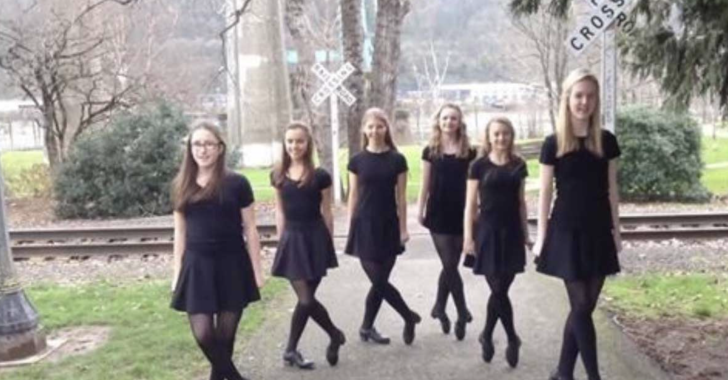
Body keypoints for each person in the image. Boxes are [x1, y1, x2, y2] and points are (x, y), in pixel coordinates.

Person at [533, 68, 622, 380]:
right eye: (578, 95)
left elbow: (612, 190)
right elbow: (544, 194)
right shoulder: (553, 143)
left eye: (590, 96)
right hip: (566, 232)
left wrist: (617, 232)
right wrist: (541, 237)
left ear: (596, 100)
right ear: (568, 99)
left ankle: (563, 373)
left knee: (583, 308)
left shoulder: (607, 141)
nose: (584, 102)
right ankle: (594, 376)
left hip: (598, 232)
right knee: (581, 304)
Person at [170, 121, 264, 380]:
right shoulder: (181, 184)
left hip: (232, 264)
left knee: (225, 337)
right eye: (197, 144)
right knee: (203, 334)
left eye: (209, 144)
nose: (203, 150)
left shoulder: (238, 183)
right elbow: (180, 232)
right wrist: (177, 273)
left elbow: (251, 229)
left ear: (220, 148)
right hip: (197, 266)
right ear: (190, 149)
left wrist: (258, 271)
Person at [270, 122, 345, 369]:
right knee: (305, 299)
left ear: (308, 143)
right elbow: (279, 211)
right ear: (284, 143)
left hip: (315, 239)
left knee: (306, 299)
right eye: (290, 141)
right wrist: (282, 241)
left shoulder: (320, 175)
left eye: (299, 141)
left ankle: (290, 350)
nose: (294, 146)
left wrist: (329, 243)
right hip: (292, 240)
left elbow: (327, 211)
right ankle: (334, 334)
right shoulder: (278, 174)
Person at [345, 107, 421, 346]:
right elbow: (353, 196)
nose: (375, 130)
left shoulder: (397, 159)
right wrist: (350, 227)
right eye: (370, 126)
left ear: (386, 128)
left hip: (388, 225)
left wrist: (403, 229)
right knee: (378, 281)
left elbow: (401, 198)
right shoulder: (356, 161)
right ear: (364, 130)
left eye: (379, 126)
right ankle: (408, 317)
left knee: (380, 284)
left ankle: (366, 328)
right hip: (364, 226)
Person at [463, 117, 530, 368]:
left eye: (505, 134)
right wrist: (468, 237)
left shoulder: (518, 165)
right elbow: (470, 205)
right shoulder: (478, 166)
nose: (501, 138)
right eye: (496, 134)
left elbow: (522, 202)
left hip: (512, 232)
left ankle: (487, 334)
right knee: (498, 289)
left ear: (511, 136)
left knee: (501, 290)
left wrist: (526, 234)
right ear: (488, 137)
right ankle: (512, 338)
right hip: (487, 233)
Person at [417, 103, 476, 340]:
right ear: (438, 121)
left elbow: (475, 186)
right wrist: (419, 210)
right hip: (438, 212)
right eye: (445, 118)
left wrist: (475, 211)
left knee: (451, 263)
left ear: (459, 122)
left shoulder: (470, 151)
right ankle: (462, 311)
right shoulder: (430, 151)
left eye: (453, 118)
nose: (449, 122)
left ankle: (440, 306)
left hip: (462, 212)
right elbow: (425, 183)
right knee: (449, 263)